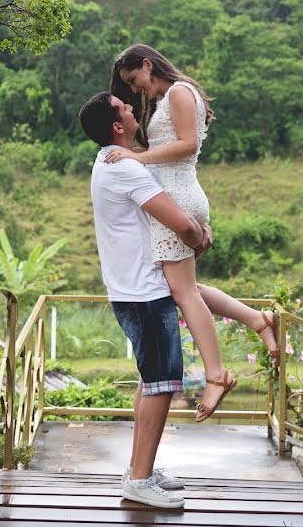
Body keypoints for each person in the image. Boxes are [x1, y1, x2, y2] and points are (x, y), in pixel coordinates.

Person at [79, 91, 279, 508]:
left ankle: (142, 468)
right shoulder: (127, 171)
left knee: (150, 380)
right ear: (119, 126)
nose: (134, 110)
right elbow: (177, 220)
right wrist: (198, 237)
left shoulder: (107, 162)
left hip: (137, 287)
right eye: (127, 109)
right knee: (160, 385)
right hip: (144, 293)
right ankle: (138, 480)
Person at [106, 44, 279, 421]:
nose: (135, 90)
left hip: (179, 199)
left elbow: (188, 145)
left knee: (183, 292)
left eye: (134, 80)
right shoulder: (169, 96)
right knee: (180, 288)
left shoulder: (180, 92)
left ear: (148, 65)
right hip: (178, 197)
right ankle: (256, 319)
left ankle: (216, 374)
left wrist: (137, 156)